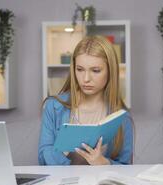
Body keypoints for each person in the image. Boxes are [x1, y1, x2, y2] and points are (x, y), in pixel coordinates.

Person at [38, 35, 133, 165]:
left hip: (100, 184)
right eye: (80, 69)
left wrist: (104, 163)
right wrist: (62, 151)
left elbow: (126, 167)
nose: (86, 78)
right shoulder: (54, 107)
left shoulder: (122, 117)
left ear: (110, 71)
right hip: (63, 183)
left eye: (95, 70)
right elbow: (42, 158)